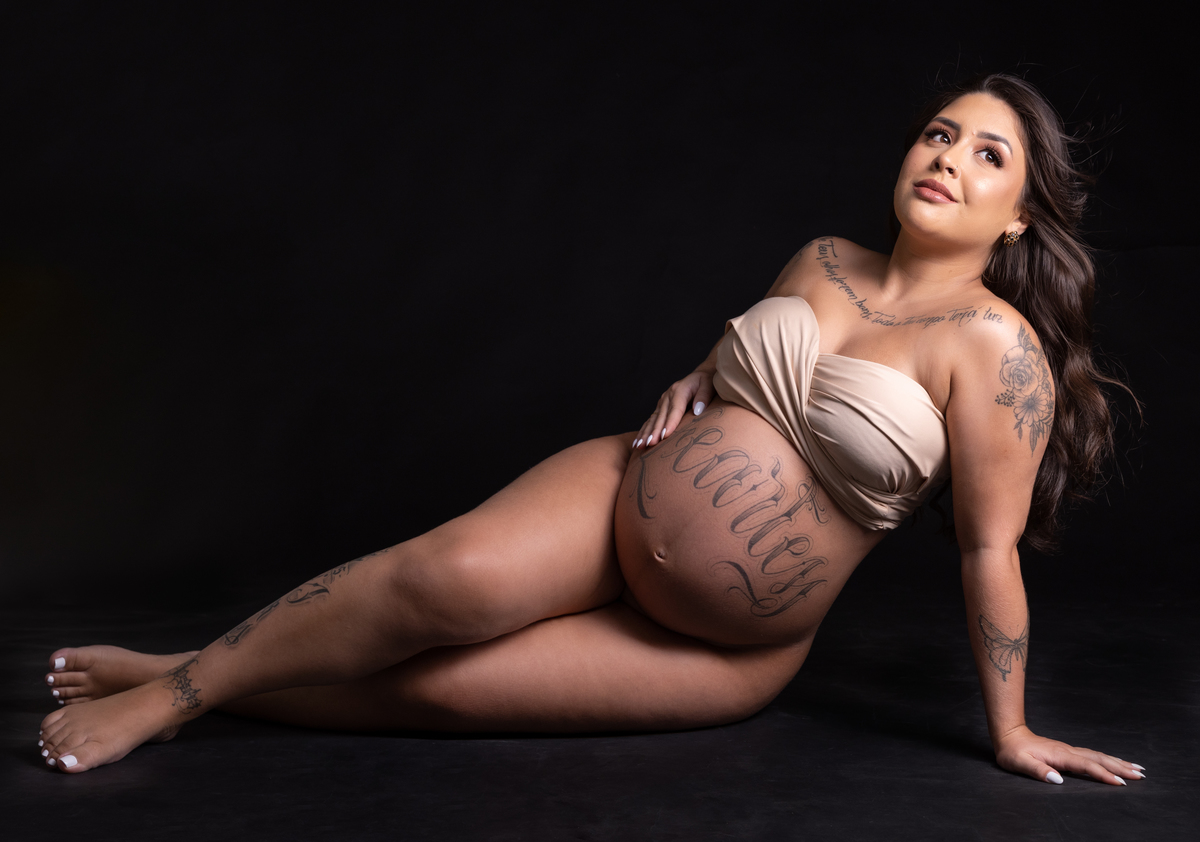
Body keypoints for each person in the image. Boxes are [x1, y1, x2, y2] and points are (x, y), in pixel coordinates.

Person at [36, 72, 1144, 786]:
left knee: (435, 690)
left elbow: (988, 549)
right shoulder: (821, 258)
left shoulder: (995, 350)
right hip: (619, 494)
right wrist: (694, 375)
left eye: (987, 154)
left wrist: (1010, 728)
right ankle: (182, 689)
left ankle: (192, 671)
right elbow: (759, 365)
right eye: (939, 134)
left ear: (1019, 218)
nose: (947, 157)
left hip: (727, 646)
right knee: (439, 580)